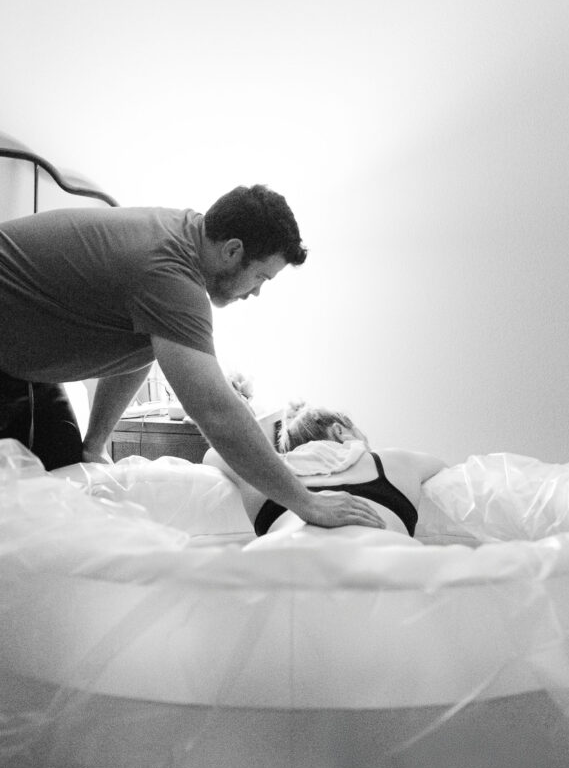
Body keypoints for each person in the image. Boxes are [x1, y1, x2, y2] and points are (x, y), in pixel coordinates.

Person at [0, 186, 384, 529]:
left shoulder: (178, 234)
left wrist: (94, 445)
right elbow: (216, 412)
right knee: (31, 513)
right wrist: (307, 503)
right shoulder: (169, 274)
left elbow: (137, 351)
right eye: (261, 278)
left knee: (68, 483)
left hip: (21, 366)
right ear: (233, 250)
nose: (255, 294)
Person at [204, 401, 447, 547]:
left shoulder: (267, 471)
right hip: (386, 559)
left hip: (278, 562)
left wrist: (269, 458)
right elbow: (445, 469)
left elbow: (213, 454)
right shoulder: (392, 461)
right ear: (340, 430)